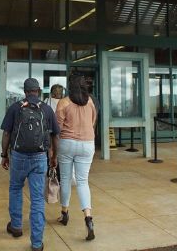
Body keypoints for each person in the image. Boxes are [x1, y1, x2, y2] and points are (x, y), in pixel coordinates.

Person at [0, 78, 60, 251]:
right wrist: (54, 157)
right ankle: (37, 243)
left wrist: (4, 155)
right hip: (40, 157)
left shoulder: (15, 107)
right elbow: (56, 136)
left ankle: (16, 226)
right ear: (38, 91)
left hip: (18, 156)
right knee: (37, 199)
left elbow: (6, 134)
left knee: (15, 189)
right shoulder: (46, 109)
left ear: (25, 91)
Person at [54, 74, 98, 241]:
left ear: (70, 86)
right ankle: (88, 218)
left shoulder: (64, 102)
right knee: (82, 181)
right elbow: (92, 122)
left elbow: (57, 128)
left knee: (65, 179)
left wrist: (53, 150)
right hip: (87, 144)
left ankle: (64, 213)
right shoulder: (90, 102)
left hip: (67, 143)